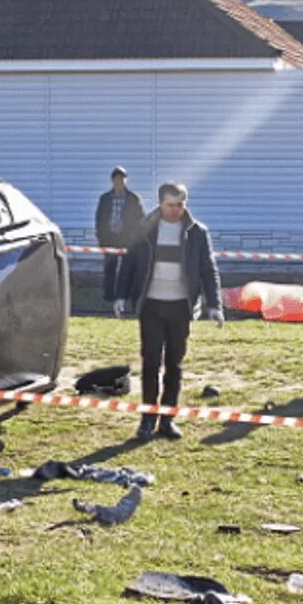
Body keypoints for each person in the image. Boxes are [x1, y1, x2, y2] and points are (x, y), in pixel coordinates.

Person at [114, 182, 222, 441]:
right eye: (171, 205)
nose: (177, 210)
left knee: (174, 365)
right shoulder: (144, 229)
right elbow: (128, 263)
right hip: (151, 305)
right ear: (161, 203)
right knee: (151, 363)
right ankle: (147, 419)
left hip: (180, 307)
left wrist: (215, 305)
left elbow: (208, 269)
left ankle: (167, 420)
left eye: (181, 204)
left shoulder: (197, 232)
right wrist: (119, 295)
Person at [95, 166, 145, 302]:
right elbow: (99, 219)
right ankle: (109, 296)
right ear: (112, 180)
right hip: (110, 238)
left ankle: (124, 295)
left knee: (127, 269)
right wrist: (101, 238)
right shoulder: (105, 198)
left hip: (127, 240)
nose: (119, 182)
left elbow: (141, 219)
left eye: (122, 179)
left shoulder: (134, 198)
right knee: (109, 268)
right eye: (116, 179)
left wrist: (136, 239)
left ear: (126, 180)